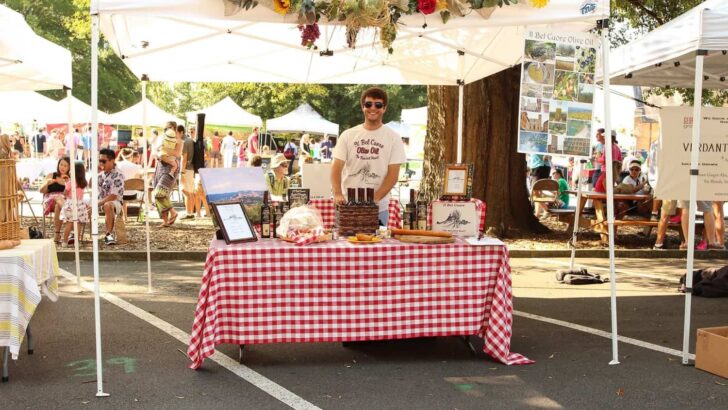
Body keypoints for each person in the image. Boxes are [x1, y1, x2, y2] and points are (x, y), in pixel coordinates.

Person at [331, 87, 406, 226]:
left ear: (384, 108)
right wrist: (337, 193)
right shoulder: (348, 135)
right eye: (368, 104)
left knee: (376, 246)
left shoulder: (393, 138)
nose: (373, 108)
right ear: (362, 107)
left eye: (378, 105)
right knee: (344, 247)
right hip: (348, 206)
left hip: (378, 209)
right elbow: (336, 167)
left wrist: (374, 199)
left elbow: (393, 175)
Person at [152, 121, 182, 227]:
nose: (166, 130)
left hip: (170, 168)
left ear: (174, 128)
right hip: (160, 166)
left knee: (160, 192)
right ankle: (165, 221)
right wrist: (158, 152)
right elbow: (154, 151)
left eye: (168, 128)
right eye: (164, 128)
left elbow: (178, 154)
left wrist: (165, 149)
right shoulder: (161, 137)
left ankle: (173, 212)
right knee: (158, 194)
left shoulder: (178, 140)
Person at [98, 148, 125, 245]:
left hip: (115, 203)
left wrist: (97, 204)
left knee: (108, 204)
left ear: (112, 161)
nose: (101, 163)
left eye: (103, 161)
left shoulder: (118, 174)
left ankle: (108, 234)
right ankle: (73, 233)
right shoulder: (100, 175)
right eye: (100, 161)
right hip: (100, 201)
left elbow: (113, 196)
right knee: (79, 202)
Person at [40, 157, 71, 242]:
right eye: (61, 165)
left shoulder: (70, 178)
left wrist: (66, 183)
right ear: (58, 165)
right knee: (57, 198)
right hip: (50, 199)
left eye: (65, 166)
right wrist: (47, 183)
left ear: (69, 167)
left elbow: (74, 191)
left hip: (64, 200)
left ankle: (57, 234)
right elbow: (41, 190)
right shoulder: (51, 175)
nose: (62, 167)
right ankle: (68, 211)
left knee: (58, 206)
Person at [60, 161, 89, 246]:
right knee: (78, 223)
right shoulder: (83, 182)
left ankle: (65, 241)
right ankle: (77, 241)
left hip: (71, 204)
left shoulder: (70, 182)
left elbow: (65, 193)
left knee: (69, 223)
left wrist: (66, 184)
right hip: (80, 204)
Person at [116, 148, 143, 219]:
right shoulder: (136, 167)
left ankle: (121, 216)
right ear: (131, 156)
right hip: (132, 195)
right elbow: (138, 180)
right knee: (124, 196)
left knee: (120, 195)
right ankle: (125, 217)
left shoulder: (116, 165)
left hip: (119, 195)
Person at [180, 124, 196, 218]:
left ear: (181, 132)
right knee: (190, 192)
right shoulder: (190, 140)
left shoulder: (185, 141)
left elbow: (184, 158)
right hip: (191, 169)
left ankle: (188, 213)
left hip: (186, 169)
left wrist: (182, 172)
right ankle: (190, 212)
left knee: (186, 192)